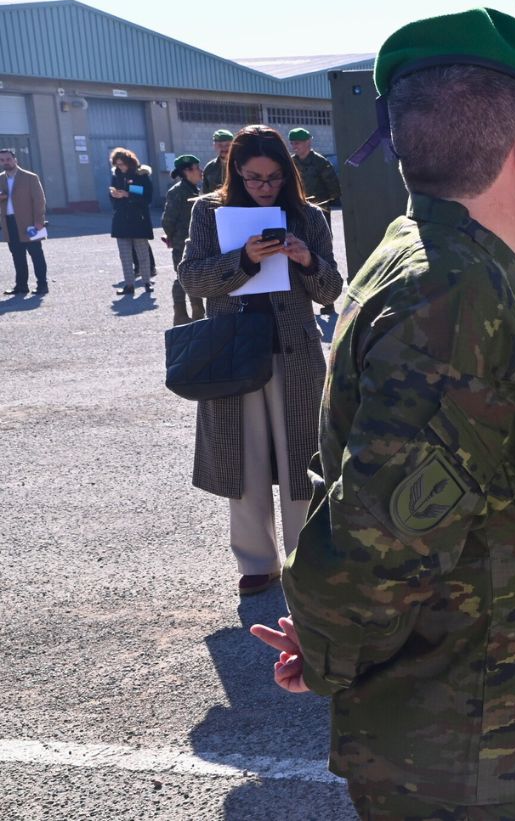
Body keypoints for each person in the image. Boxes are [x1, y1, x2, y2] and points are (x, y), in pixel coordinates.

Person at [250, 8, 515, 821]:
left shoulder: (425, 254)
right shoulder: (456, 297)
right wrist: (329, 643)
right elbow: (372, 548)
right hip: (473, 753)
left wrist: (328, 642)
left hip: (476, 729)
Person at [177, 126, 342, 597]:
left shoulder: (308, 216)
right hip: (232, 353)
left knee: (301, 455)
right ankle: (256, 561)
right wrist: (243, 260)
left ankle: (305, 555)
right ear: (235, 171)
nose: (264, 187)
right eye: (253, 178)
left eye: (273, 178)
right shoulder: (208, 211)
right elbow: (191, 279)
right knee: (241, 456)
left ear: (288, 174)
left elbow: (332, 291)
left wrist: (308, 261)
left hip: (295, 352)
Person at [288, 127, 341, 316]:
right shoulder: (290, 164)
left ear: (308, 142)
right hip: (296, 213)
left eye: (298, 142)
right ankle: (303, 299)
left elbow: (334, 189)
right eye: (293, 143)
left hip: (319, 215)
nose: (295, 146)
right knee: (298, 254)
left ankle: (328, 301)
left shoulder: (320, 163)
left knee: (322, 254)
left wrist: (321, 203)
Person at [161, 154, 206, 325]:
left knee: (193, 275)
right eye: (197, 168)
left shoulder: (195, 190)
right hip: (181, 242)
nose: (201, 171)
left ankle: (198, 312)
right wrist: (171, 237)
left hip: (194, 240)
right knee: (182, 276)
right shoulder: (177, 192)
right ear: (187, 171)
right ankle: (180, 313)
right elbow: (167, 220)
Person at [0, 147, 49, 296]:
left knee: (36, 254)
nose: (6, 162)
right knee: (17, 256)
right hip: (9, 223)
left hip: (31, 223)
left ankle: (42, 285)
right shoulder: (0, 178)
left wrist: (39, 221)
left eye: (8, 159)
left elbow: (39, 200)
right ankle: (21, 286)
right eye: (2, 160)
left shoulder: (30, 177)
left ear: (15, 160)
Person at [108, 148, 155, 297]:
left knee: (142, 254)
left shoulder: (141, 175)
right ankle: (129, 285)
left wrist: (128, 195)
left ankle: (147, 283)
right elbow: (112, 199)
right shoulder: (116, 176)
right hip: (121, 221)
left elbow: (147, 197)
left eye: (122, 164)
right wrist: (114, 195)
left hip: (138, 220)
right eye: (117, 164)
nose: (120, 167)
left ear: (129, 162)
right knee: (125, 255)